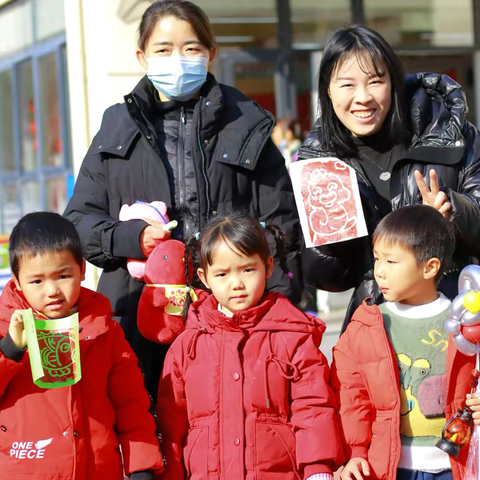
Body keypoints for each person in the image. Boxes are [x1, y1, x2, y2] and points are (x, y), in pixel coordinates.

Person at [64, 0, 301, 397]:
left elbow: (284, 228)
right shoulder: (115, 126)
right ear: (142, 56)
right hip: (139, 317)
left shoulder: (247, 123)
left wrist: (276, 314)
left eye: (191, 48)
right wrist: (131, 238)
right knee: (148, 436)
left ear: (211, 53)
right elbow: (78, 223)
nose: (178, 59)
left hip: (232, 317)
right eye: (163, 49)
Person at [298, 25, 480, 328]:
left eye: (375, 81)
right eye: (347, 85)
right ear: (327, 90)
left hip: (456, 317)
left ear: (393, 82)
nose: (363, 98)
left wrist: (451, 211)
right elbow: (327, 279)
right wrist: (334, 238)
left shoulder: (450, 132)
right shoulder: (320, 162)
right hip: (376, 329)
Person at [156, 213, 344, 479]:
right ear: (204, 277)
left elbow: (312, 406)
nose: (237, 284)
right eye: (222, 274)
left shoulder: (293, 335)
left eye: (247, 269)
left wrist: (317, 468)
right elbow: (172, 420)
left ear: (268, 266)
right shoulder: (187, 346)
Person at [0, 212, 163, 480]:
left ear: (82, 271)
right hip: (25, 469)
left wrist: (141, 468)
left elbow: (131, 405)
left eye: (63, 276)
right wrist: (10, 349)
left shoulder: (105, 330)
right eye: (37, 281)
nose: (52, 290)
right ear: (17, 282)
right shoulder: (4, 326)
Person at [331, 205, 474, 480]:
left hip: (457, 465)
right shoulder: (367, 324)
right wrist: (354, 454)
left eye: (391, 262)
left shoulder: (464, 320)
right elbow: (350, 397)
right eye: (376, 259)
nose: (379, 272)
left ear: (430, 267)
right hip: (391, 467)